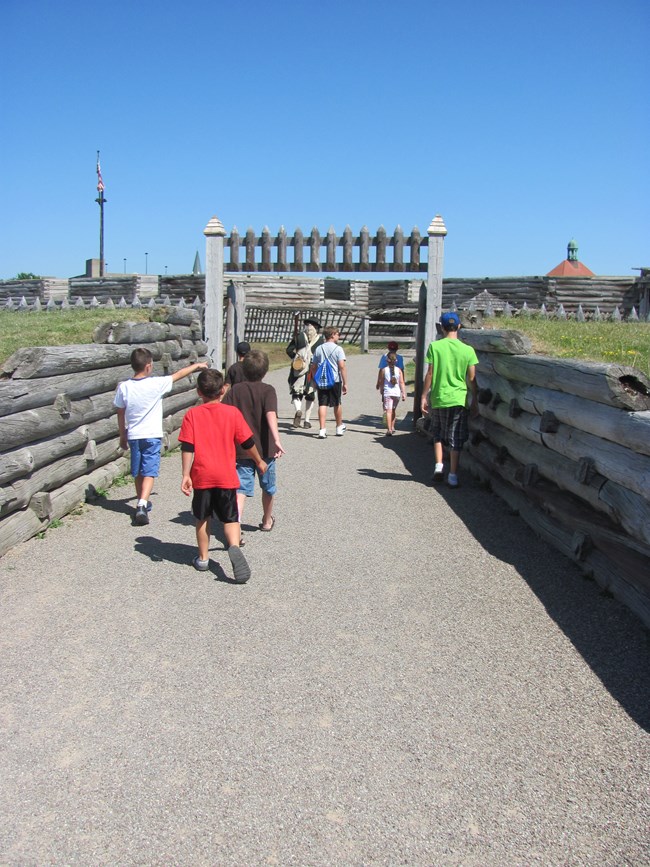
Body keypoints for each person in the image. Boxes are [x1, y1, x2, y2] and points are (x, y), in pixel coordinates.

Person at [179, 368, 268, 582]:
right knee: (230, 518)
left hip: (202, 476)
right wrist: (259, 461)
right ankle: (234, 546)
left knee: (203, 518)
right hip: (226, 476)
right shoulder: (232, 413)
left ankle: (203, 559)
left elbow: (188, 447)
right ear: (222, 391)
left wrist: (185, 475)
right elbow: (247, 442)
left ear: (199, 391)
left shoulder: (192, 415)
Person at [114, 347, 207, 525]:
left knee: (138, 471)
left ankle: (141, 501)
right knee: (149, 471)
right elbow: (178, 374)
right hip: (152, 435)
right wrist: (196, 366)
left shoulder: (124, 387)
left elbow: (120, 412)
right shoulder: (156, 384)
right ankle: (142, 504)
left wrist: (122, 435)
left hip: (134, 435)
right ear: (148, 366)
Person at [222, 349, 285, 537]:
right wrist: (277, 439)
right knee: (268, 487)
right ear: (265, 371)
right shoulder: (268, 390)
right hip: (265, 449)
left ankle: (236, 526)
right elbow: (271, 414)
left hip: (242, 448)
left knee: (240, 489)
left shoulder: (235, 391)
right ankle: (267, 520)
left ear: (244, 369)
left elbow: (224, 415)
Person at [420, 311, 479, 488]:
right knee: (456, 437)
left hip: (439, 397)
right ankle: (453, 475)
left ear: (442, 328)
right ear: (459, 326)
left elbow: (430, 373)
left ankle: (439, 466)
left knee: (437, 432)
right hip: (458, 398)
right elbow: (471, 378)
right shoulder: (468, 350)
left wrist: (424, 395)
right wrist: (475, 399)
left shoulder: (435, 347)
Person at [309, 325, 348, 439]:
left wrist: (315, 379)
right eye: (337, 334)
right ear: (332, 335)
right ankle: (339, 427)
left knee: (322, 404)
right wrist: (345, 383)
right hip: (335, 380)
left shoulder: (319, 349)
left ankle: (322, 429)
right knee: (337, 403)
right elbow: (342, 366)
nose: (338, 336)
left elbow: (313, 366)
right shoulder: (338, 349)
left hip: (322, 380)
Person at [286, 318, 324, 428]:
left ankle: (298, 410)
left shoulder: (298, 337)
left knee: (296, 393)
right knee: (310, 395)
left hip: (298, 369)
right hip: (312, 370)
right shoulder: (320, 341)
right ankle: (307, 421)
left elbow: (289, 350)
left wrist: (296, 358)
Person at [376, 351, 406, 435]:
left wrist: (381, 390)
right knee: (393, 410)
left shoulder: (384, 370)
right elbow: (402, 382)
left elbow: (381, 382)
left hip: (388, 393)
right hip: (396, 393)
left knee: (388, 411)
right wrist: (403, 393)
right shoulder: (399, 370)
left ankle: (389, 429)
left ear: (387, 360)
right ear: (396, 361)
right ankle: (392, 427)